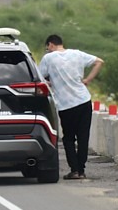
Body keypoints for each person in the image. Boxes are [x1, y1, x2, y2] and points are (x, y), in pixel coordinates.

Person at [40, 34, 104, 180]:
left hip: (65, 105)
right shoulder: (77, 54)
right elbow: (99, 62)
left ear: (50, 45)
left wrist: (52, 83)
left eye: (47, 48)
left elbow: (40, 78)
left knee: (69, 138)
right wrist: (87, 80)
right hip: (83, 100)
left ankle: (74, 170)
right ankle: (81, 170)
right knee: (83, 136)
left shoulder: (48, 59)